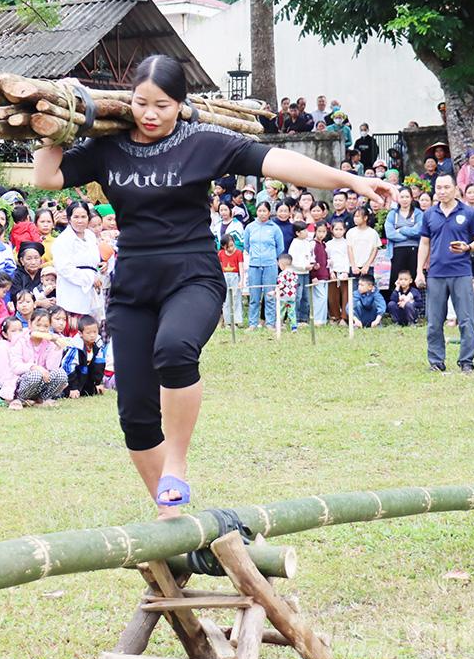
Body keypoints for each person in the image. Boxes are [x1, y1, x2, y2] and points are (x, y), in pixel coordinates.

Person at [33, 55, 394, 515]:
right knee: (136, 417)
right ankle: (171, 517)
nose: (149, 114)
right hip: (131, 290)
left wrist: (351, 181)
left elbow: (278, 161)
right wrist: (54, 125)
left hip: (193, 278)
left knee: (175, 349)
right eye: (141, 103)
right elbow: (48, 177)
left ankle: (177, 465)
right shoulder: (109, 146)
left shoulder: (202, 141)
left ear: (180, 105)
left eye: (162, 105)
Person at [416, 173, 474, 372]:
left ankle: (466, 361)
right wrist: (419, 272)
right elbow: (424, 243)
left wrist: (468, 247)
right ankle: (436, 361)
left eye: (447, 187)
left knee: (466, 320)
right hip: (436, 273)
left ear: (456, 189)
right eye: (439, 188)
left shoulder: (469, 213)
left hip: (461, 272)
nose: (442, 191)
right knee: (434, 321)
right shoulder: (429, 214)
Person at [244, 201, 283, 329]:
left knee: (270, 295)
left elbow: (280, 247)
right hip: (254, 265)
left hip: (270, 265)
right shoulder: (250, 227)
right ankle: (252, 323)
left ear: (269, 212)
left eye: (264, 211)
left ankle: (270, 323)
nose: (262, 213)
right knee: (254, 296)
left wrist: (270, 257)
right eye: (259, 211)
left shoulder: (274, 228)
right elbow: (247, 246)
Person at [385, 189, 421, 288]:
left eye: (407, 197)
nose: (404, 200)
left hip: (414, 250)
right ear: (398, 199)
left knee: (412, 279)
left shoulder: (418, 213)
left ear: (411, 198)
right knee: (396, 280)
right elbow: (390, 234)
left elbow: (418, 231)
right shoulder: (392, 214)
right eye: (402, 197)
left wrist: (401, 229)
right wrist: (409, 235)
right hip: (397, 250)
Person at [64, 314, 106, 398]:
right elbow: (68, 367)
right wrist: (73, 387)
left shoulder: (98, 343)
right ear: (80, 334)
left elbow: (99, 364)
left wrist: (98, 383)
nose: (92, 335)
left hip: (86, 374)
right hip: (71, 378)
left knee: (90, 392)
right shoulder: (75, 347)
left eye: (95, 332)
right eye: (88, 333)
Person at [326, 218, 352, 324]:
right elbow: (328, 259)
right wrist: (331, 271)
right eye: (336, 229)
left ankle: (344, 317)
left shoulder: (347, 243)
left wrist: (346, 271)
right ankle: (334, 316)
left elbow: (348, 258)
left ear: (344, 230)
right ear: (331, 230)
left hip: (344, 272)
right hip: (333, 272)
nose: (338, 231)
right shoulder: (328, 244)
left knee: (346, 295)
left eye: (341, 229)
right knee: (333, 296)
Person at [217, 234, 244, 328]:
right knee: (226, 300)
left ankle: (236, 321)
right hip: (225, 276)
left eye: (232, 245)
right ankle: (228, 322)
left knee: (236, 299)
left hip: (235, 276)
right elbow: (219, 268)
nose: (231, 248)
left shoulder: (239, 253)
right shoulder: (220, 254)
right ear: (224, 246)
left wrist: (241, 280)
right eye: (229, 246)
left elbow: (241, 267)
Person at [275, 252, 298, 331]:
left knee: (281, 311)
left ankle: (279, 326)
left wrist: (275, 292)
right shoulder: (294, 273)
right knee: (292, 312)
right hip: (292, 296)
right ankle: (294, 327)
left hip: (283, 296)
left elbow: (281, 285)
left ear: (281, 264)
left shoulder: (282, 274)